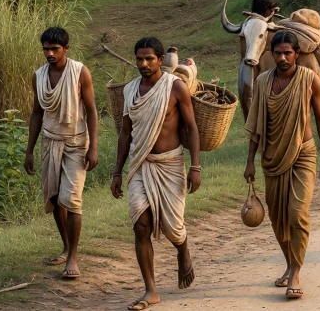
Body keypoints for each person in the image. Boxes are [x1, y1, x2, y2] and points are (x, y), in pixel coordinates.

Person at [111, 36, 200, 311]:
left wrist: (195, 166)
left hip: (171, 164)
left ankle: (182, 250)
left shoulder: (175, 88)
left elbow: (192, 127)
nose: (143, 64)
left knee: (174, 228)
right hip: (140, 164)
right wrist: (116, 172)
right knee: (141, 225)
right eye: (139, 59)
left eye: (149, 59)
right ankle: (150, 290)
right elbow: (126, 133)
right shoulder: (129, 91)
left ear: (161, 60)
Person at [244, 30, 320, 300]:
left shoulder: (309, 80)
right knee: (278, 218)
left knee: (297, 213)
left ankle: (295, 272)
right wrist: (250, 161)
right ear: (271, 54)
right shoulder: (262, 82)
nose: (283, 58)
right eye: (278, 53)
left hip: (303, 154)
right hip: (272, 157)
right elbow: (257, 125)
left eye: (288, 53)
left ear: (297, 54)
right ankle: (289, 262)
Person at [25, 26, 98, 280]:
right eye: (46, 49)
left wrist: (93, 147)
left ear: (66, 49)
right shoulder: (39, 76)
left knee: (72, 200)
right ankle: (66, 247)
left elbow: (91, 110)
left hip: (76, 144)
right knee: (55, 198)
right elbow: (36, 113)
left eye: (55, 49)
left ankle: (74, 258)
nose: (50, 53)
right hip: (50, 141)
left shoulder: (80, 72)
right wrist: (29, 151)